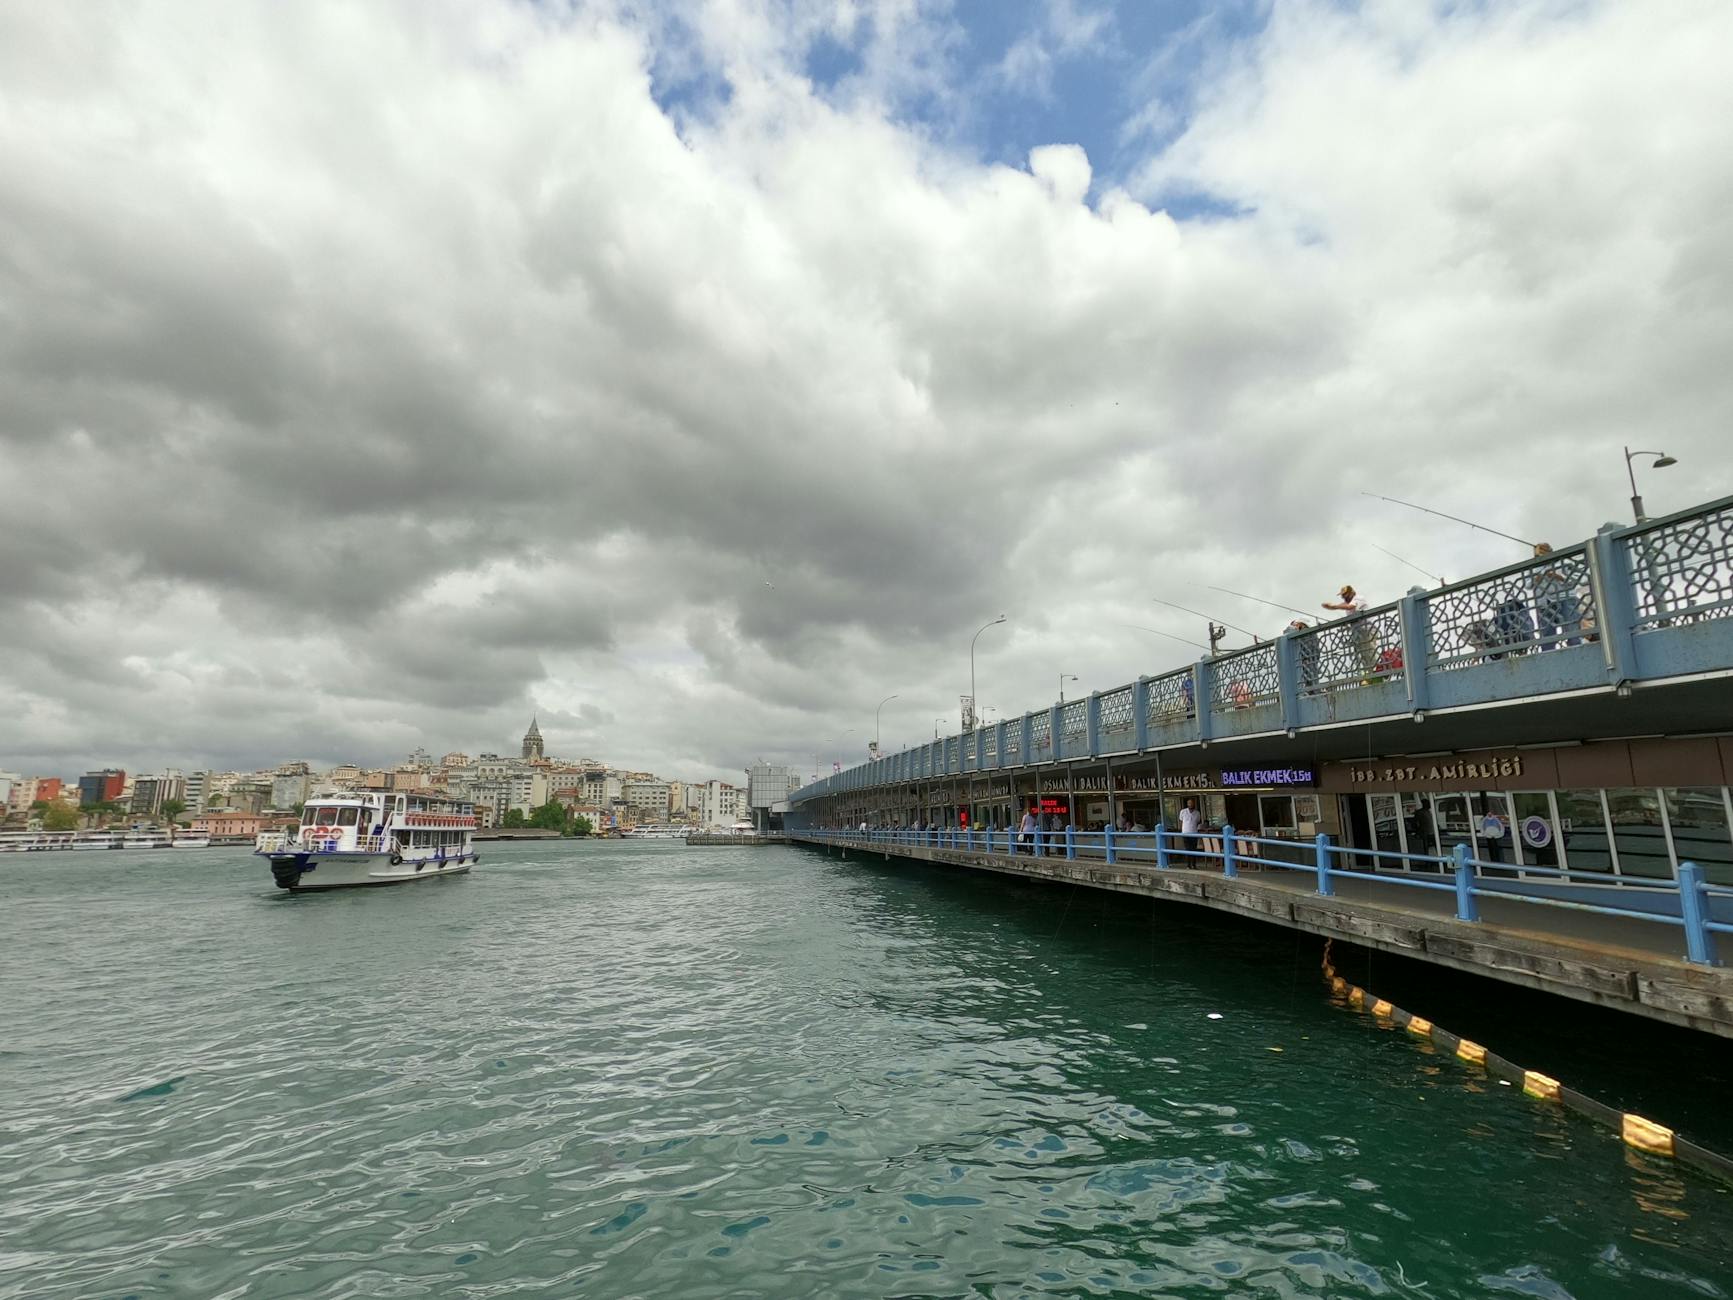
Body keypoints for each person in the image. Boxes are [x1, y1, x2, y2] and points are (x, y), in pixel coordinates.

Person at [1532, 543, 1582, 650]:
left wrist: (1559, 576)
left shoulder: (1564, 562)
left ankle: (1577, 652)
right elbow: (1527, 584)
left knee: (1573, 633)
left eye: (1542, 552)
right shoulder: (1534, 568)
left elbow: (1578, 578)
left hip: (1566, 599)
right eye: (1537, 555)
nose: (1540, 557)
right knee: (1547, 638)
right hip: (1544, 603)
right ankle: (1548, 658)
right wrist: (1537, 579)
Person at [1322, 584, 1378, 678]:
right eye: (1342, 595)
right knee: (1363, 654)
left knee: (1370, 652)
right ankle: (1370, 675)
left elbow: (1350, 606)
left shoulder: (1358, 598)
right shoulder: (1348, 603)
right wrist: (1332, 607)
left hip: (1367, 630)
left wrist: (1334, 607)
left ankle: (1376, 673)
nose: (1343, 597)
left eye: (1345, 595)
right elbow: (1345, 606)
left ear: (1351, 593)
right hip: (1358, 632)